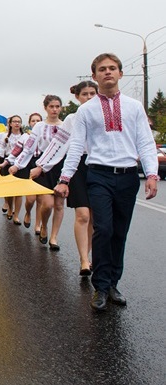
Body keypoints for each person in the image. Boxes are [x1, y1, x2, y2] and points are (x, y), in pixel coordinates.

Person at [54, 53, 158, 311]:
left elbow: (145, 142)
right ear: (95, 76)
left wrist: (152, 174)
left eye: (112, 68)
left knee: (119, 233)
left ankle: (113, 283)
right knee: (103, 229)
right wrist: (65, 178)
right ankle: (100, 287)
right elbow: (76, 145)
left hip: (127, 176)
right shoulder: (85, 110)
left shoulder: (134, 107)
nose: (108, 72)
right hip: (98, 175)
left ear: (120, 74)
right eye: (102, 69)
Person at [31, 81, 97, 275]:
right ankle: (84, 260)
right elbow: (58, 145)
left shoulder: (104, 115)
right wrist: (41, 166)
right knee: (83, 214)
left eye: (93, 93)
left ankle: (87, 254)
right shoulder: (72, 119)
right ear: (77, 97)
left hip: (99, 168)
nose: (89, 97)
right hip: (77, 168)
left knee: (94, 217)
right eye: (84, 94)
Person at [9, 96, 64, 249]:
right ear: (45, 108)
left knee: (59, 204)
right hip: (42, 166)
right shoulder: (39, 126)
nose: (54, 109)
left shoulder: (66, 126)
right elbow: (29, 147)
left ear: (61, 108)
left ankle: (53, 238)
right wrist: (17, 165)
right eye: (51, 106)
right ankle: (43, 225)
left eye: (57, 106)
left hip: (60, 168)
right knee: (46, 204)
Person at [0, 117, 23, 218]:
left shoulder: (24, 136)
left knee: (19, 190)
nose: (16, 123)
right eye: (14, 122)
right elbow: (0, 150)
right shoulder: (4, 136)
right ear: (9, 124)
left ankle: (16, 214)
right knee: (9, 188)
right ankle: (9, 206)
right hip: (7, 161)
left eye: (18, 122)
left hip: (21, 163)